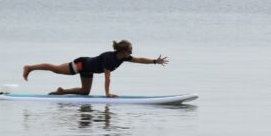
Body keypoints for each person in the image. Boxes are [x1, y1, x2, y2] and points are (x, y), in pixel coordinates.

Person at [22, 40, 169, 97]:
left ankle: (62, 91)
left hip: (89, 69)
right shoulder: (109, 58)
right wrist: (108, 94)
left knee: (84, 92)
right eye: (130, 50)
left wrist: (155, 61)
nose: (131, 53)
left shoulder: (123, 57)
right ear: (122, 51)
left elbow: (139, 60)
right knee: (56, 69)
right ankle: (30, 68)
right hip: (81, 64)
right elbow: (107, 77)